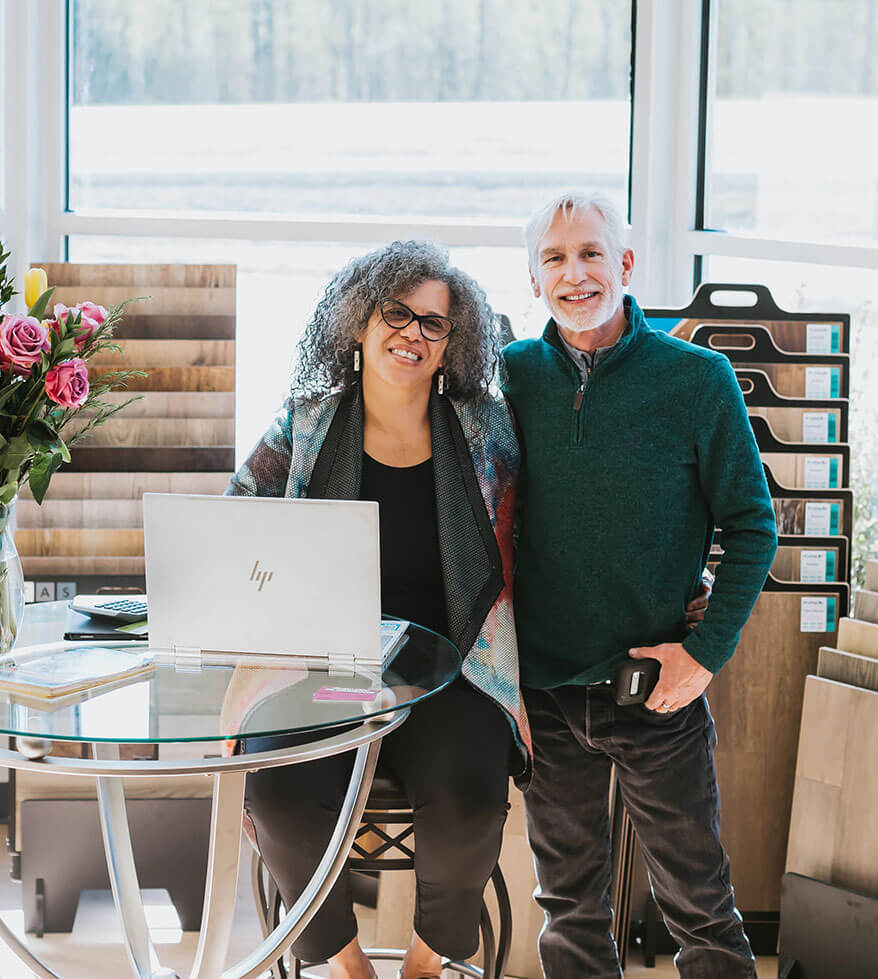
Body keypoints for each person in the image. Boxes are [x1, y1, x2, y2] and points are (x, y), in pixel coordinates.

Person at [225, 240, 531, 979]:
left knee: (468, 802)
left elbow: (532, 542)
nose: (413, 335)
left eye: (435, 324)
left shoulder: (485, 431)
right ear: (357, 321)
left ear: (454, 345)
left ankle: (424, 964)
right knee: (284, 801)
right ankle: (349, 966)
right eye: (397, 313)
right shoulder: (302, 425)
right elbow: (233, 535)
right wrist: (245, 669)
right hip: (318, 671)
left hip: (452, 668)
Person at [500, 191, 779, 979]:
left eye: (590, 253)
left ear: (623, 264)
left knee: (698, 904)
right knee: (567, 906)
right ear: (532, 280)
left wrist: (703, 654)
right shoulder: (511, 377)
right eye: (553, 258)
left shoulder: (696, 379)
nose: (574, 272)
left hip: (657, 689)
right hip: (547, 693)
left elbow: (753, 526)